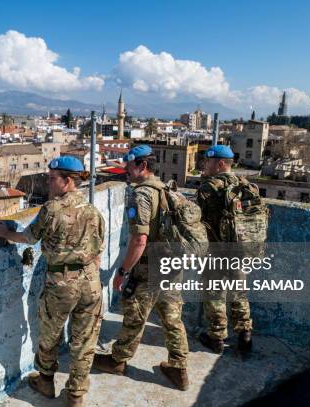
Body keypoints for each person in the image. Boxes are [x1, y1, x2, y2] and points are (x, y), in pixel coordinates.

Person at [0, 156, 105, 407]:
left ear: (68, 181)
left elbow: (29, 238)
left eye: (52, 179)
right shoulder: (93, 211)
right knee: (85, 340)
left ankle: (46, 382)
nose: (48, 183)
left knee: (50, 334)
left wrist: (4, 233)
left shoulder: (52, 209)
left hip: (62, 283)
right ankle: (75, 396)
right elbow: (98, 250)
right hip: (91, 282)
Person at [92, 145, 190, 391]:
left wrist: (123, 271)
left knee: (135, 314)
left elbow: (139, 240)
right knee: (172, 317)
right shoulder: (167, 189)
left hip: (150, 267)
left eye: (129, 165)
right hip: (171, 264)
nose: (125, 169)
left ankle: (118, 360)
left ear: (142, 166)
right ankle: (179, 369)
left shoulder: (141, 194)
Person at [195, 145, 253, 354]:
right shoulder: (246, 185)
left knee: (215, 294)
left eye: (208, 161)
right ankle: (245, 337)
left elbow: (197, 220)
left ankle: (216, 338)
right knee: (239, 293)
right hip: (240, 249)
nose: (204, 165)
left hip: (216, 252)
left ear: (220, 164)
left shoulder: (208, 188)